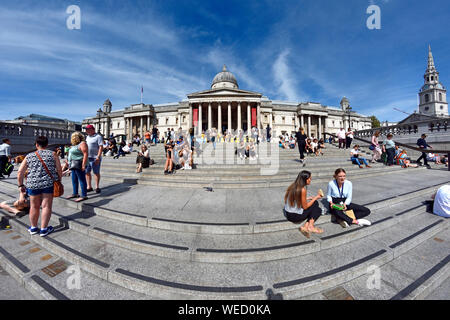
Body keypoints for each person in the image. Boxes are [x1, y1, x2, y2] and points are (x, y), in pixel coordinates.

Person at [17, 136, 62, 237]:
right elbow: (59, 170)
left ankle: (33, 228)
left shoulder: (29, 156)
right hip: (48, 183)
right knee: (46, 206)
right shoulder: (53, 154)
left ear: (36, 144)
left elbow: (20, 172)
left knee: (34, 206)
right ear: (46, 145)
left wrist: (20, 184)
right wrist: (59, 180)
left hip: (33, 184)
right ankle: (44, 229)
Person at [283, 171, 324, 238]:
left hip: (288, 214)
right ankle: (310, 226)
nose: (310, 180)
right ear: (304, 179)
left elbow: (295, 199)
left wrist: (307, 198)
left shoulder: (293, 186)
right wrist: (316, 197)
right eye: (309, 178)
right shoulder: (302, 190)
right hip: (295, 217)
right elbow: (305, 207)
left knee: (314, 204)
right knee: (317, 208)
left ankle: (305, 226)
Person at [66, 132, 89, 202]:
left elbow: (85, 154)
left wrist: (83, 165)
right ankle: (75, 193)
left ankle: (84, 195)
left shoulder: (82, 143)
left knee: (82, 179)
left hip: (79, 163)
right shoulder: (74, 145)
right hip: (73, 164)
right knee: (74, 179)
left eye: (73, 137)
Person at [85, 125, 103, 194]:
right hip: (88, 157)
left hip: (95, 157)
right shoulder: (87, 137)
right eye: (86, 129)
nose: (86, 131)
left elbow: (101, 147)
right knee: (87, 172)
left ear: (92, 129)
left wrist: (98, 157)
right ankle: (89, 186)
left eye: (88, 129)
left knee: (96, 172)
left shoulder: (98, 136)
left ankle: (97, 187)